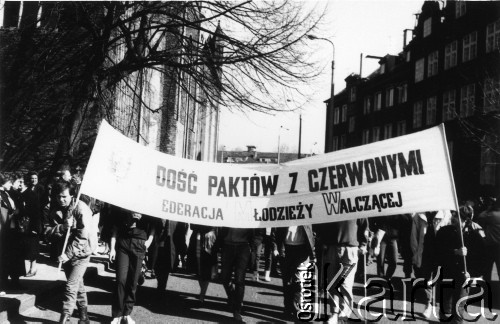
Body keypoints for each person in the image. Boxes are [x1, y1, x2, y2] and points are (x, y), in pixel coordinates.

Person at [44, 180, 97, 324]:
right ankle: (84, 317)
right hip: (64, 252)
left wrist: (67, 254)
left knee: (70, 286)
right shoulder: (52, 208)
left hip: (81, 253)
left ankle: (64, 318)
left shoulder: (80, 208)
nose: (61, 200)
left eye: (65, 197)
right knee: (77, 284)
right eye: (58, 197)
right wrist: (62, 227)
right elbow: (47, 232)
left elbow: (82, 237)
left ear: (72, 195)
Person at [314, 219, 368, 324]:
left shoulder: (355, 204)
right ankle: (334, 313)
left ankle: (344, 314)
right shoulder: (329, 203)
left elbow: (364, 225)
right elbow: (321, 223)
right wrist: (322, 240)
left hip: (350, 248)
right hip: (331, 247)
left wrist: (363, 244)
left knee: (345, 283)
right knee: (332, 283)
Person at [109, 206, 155, 324]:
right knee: (120, 280)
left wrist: (148, 242)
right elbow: (114, 228)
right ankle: (117, 314)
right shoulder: (124, 201)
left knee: (133, 281)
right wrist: (112, 248)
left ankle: (126, 314)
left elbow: (155, 225)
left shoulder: (148, 203)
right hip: (123, 243)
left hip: (140, 244)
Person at [435, 207, 471, 324]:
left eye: (458, 216)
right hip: (447, 274)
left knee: (459, 310)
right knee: (445, 309)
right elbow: (437, 252)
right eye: (454, 215)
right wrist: (455, 252)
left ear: (466, 220)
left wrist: (471, 273)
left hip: (463, 277)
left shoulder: (473, 234)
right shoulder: (443, 231)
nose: (454, 218)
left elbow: (481, 257)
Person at [411, 210, 450, 318]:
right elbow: (414, 237)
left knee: (441, 279)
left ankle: (443, 308)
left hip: (441, 253)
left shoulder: (446, 213)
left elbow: (450, 233)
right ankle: (429, 305)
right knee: (427, 280)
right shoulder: (418, 215)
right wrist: (416, 254)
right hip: (425, 253)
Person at [275, 225, 315, 320]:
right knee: (287, 281)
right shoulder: (284, 211)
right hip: (286, 248)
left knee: (299, 280)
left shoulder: (306, 212)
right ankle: (288, 309)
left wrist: (313, 246)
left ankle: (296, 309)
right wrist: (275, 247)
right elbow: (275, 228)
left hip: (302, 249)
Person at [219, 227, 258, 322]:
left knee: (239, 279)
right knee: (224, 277)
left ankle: (237, 310)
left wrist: (254, 246)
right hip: (227, 245)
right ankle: (233, 298)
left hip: (243, 247)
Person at [22, 171, 47, 276]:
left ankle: (33, 268)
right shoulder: (26, 190)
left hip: (37, 220)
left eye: (35, 178)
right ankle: (31, 267)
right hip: (28, 220)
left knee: (34, 244)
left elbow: (44, 203)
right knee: (29, 244)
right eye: (32, 178)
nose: (33, 180)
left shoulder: (41, 189)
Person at [186, 224, 218, 303]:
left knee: (207, 268)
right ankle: (202, 291)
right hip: (196, 240)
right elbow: (192, 226)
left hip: (208, 239)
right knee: (198, 268)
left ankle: (202, 295)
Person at [477, 196, 500, 282]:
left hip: (491, 246)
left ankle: (487, 290)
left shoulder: (490, 214)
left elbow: (480, 216)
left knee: (487, 270)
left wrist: (489, 208)